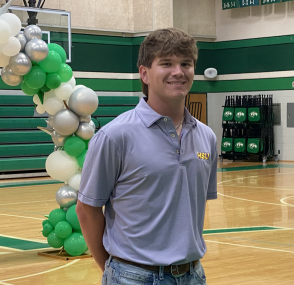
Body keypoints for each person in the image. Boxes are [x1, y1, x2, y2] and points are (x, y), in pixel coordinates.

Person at [76, 28, 218, 285]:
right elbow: (87, 209)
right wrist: (114, 269)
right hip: (133, 276)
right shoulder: (115, 136)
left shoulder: (206, 136)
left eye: (186, 63)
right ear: (144, 73)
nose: (178, 72)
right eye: (166, 63)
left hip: (193, 275)